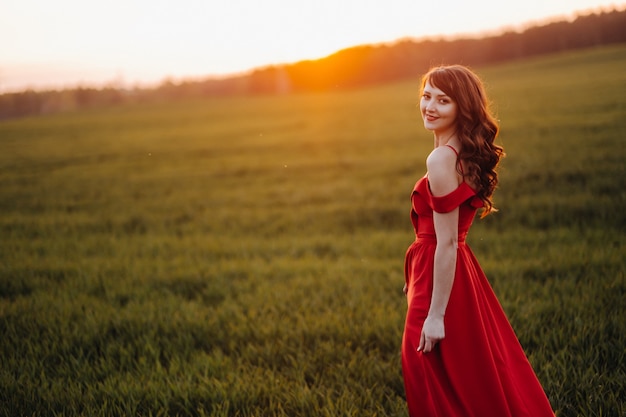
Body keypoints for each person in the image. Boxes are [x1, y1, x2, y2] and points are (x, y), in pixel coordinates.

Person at [401, 65, 555, 416]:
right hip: (452, 272)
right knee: (466, 374)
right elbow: (449, 241)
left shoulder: (441, 159)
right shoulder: (462, 153)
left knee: (426, 372)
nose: (430, 106)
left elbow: (446, 242)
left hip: (442, 269)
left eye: (443, 100)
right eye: (426, 96)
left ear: (462, 107)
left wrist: (435, 313)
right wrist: (415, 278)